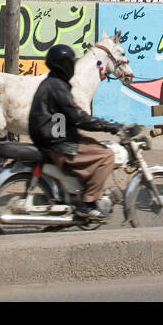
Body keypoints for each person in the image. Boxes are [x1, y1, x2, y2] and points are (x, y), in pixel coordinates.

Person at [28, 44, 131, 221]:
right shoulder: (58, 86)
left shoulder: (50, 83)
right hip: (58, 143)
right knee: (106, 155)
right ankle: (88, 204)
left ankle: (79, 194)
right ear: (64, 65)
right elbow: (77, 116)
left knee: (92, 144)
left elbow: (67, 117)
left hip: (54, 136)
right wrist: (109, 126)